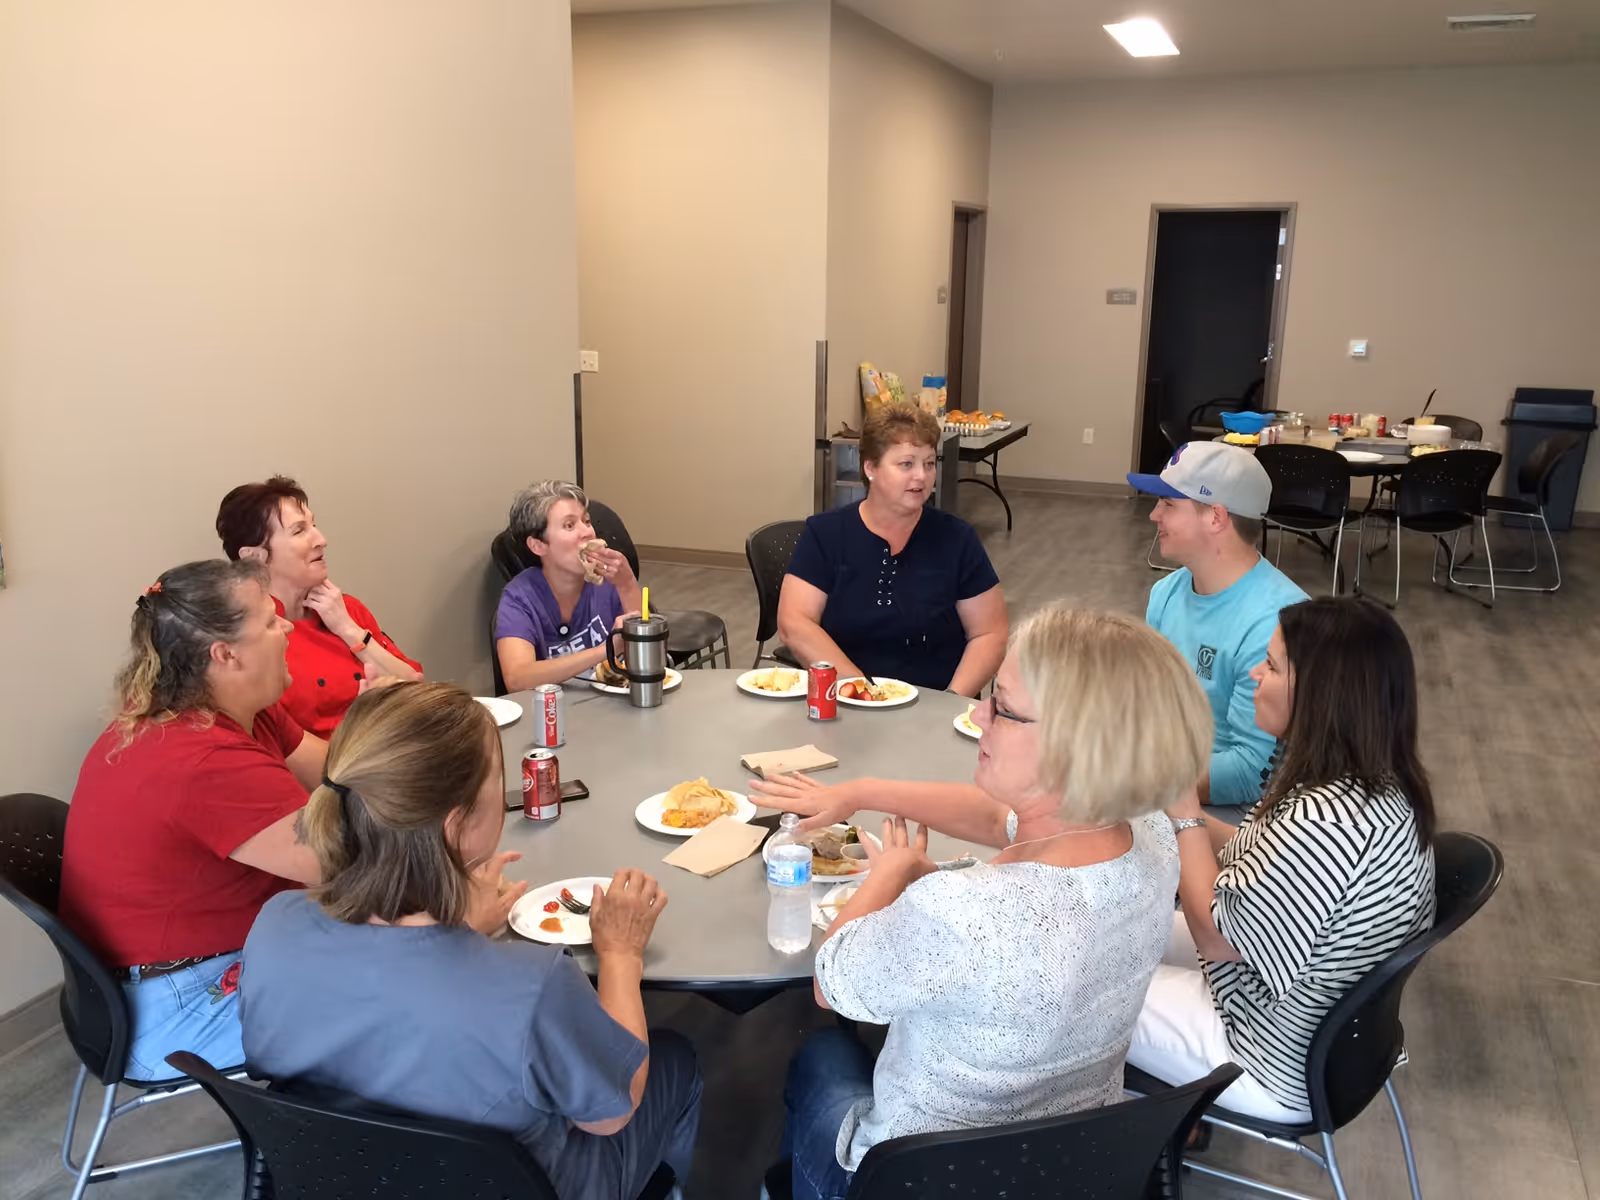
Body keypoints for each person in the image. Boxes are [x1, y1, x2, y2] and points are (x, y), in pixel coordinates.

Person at [778, 606, 1213, 1200]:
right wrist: (860, 792)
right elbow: (998, 818)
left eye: (1002, 708)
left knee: (819, 1054)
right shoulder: (1154, 839)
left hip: (918, 1183)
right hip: (1070, 1163)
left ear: (1074, 748)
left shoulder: (961, 910)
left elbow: (832, 983)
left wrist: (893, 873)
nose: (978, 714)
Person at [240, 683, 700, 1199]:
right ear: (458, 825)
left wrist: (457, 927)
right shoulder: (531, 983)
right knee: (674, 1059)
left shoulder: (275, 925)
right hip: (522, 1185)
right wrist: (620, 954)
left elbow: (287, 1059)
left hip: (340, 1177)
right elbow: (612, 1114)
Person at [1126, 597, 1437, 1123]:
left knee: (1079, 986)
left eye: (1270, 666)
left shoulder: (1330, 824)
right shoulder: (1375, 785)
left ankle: (1118, 1141)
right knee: (1123, 929)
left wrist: (1183, 813)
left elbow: (1215, 938)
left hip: (1268, 1054)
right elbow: (1264, 860)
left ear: (1320, 695)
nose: (1254, 674)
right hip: (1296, 1012)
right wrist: (1173, 817)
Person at [57, 560, 325, 1081]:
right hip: (172, 1007)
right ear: (225, 655)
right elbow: (348, 866)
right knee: (395, 983)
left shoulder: (225, 706)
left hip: (177, 968)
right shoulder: (203, 757)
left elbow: (335, 771)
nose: (287, 627)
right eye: (271, 622)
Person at [778, 404, 1007, 696]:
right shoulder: (825, 534)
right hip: (849, 700)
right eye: (906, 464)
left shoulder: (957, 538)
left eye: (929, 463)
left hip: (937, 705)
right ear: (870, 468)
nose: (922, 477)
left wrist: (950, 703)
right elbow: (794, 622)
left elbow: (990, 634)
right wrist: (862, 691)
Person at [1127, 442, 1308, 809]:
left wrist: (1133, 782)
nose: (1153, 515)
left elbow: (1250, 772)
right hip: (1162, 787)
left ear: (1215, 517)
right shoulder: (1166, 593)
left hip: (1225, 821)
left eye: (1169, 504)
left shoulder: (1278, 622)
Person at [216, 476, 420, 738]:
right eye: (299, 531)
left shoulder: (346, 608)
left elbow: (415, 685)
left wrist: (349, 629)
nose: (321, 539)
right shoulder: (249, 636)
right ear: (254, 556)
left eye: (314, 525)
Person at [495, 481, 643, 691]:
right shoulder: (519, 597)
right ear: (538, 545)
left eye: (587, 521)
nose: (588, 533)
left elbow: (649, 654)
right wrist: (605, 650)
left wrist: (627, 584)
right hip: (551, 714)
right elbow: (517, 679)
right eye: (569, 525)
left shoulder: (609, 579)